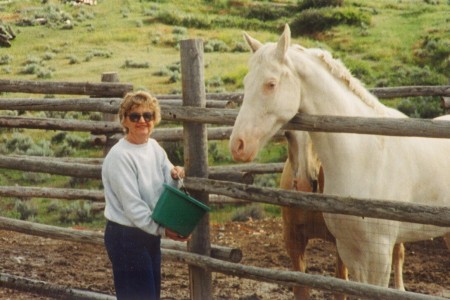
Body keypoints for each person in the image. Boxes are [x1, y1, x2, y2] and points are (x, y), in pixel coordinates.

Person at [102, 91, 189, 300]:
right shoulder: (120, 156)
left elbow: (168, 184)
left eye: (147, 116)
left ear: (154, 119)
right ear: (125, 120)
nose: (142, 121)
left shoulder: (154, 148)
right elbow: (133, 208)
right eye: (135, 116)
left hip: (147, 232)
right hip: (126, 235)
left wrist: (177, 175)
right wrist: (163, 230)